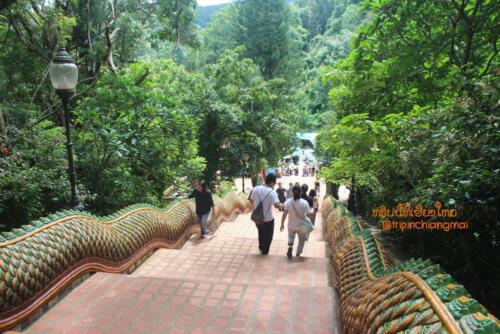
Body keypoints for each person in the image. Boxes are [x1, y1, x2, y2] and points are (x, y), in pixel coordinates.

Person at [249, 174, 282, 255]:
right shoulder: (272, 192)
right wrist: (284, 204)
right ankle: (265, 252)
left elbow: (251, 200)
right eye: (274, 183)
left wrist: (255, 209)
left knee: (261, 233)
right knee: (268, 237)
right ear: (271, 182)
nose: (274, 185)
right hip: (268, 219)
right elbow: (277, 206)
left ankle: (261, 248)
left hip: (257, 217)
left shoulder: (256, 188)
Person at [280, 185, 312, 258]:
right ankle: (298, 254)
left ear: (292, 192)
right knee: (301, 240)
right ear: (300, 192)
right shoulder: (305, 202)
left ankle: (290, 246)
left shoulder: (288, 202)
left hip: (291, 224)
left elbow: (284, 214)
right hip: (301, 225)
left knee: (291, 237)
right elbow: (308, 214)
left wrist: (282, 224)